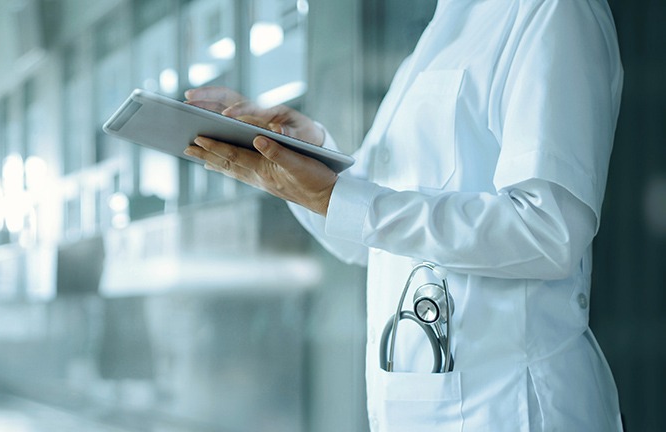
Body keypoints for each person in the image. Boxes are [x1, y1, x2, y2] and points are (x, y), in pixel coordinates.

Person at [183, 0, 624, 430]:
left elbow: (548, 232)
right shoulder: (441, 29)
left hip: (511, 407)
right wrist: (304, 154)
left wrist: (340, 198)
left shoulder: (552, 10)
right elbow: (362, 239)